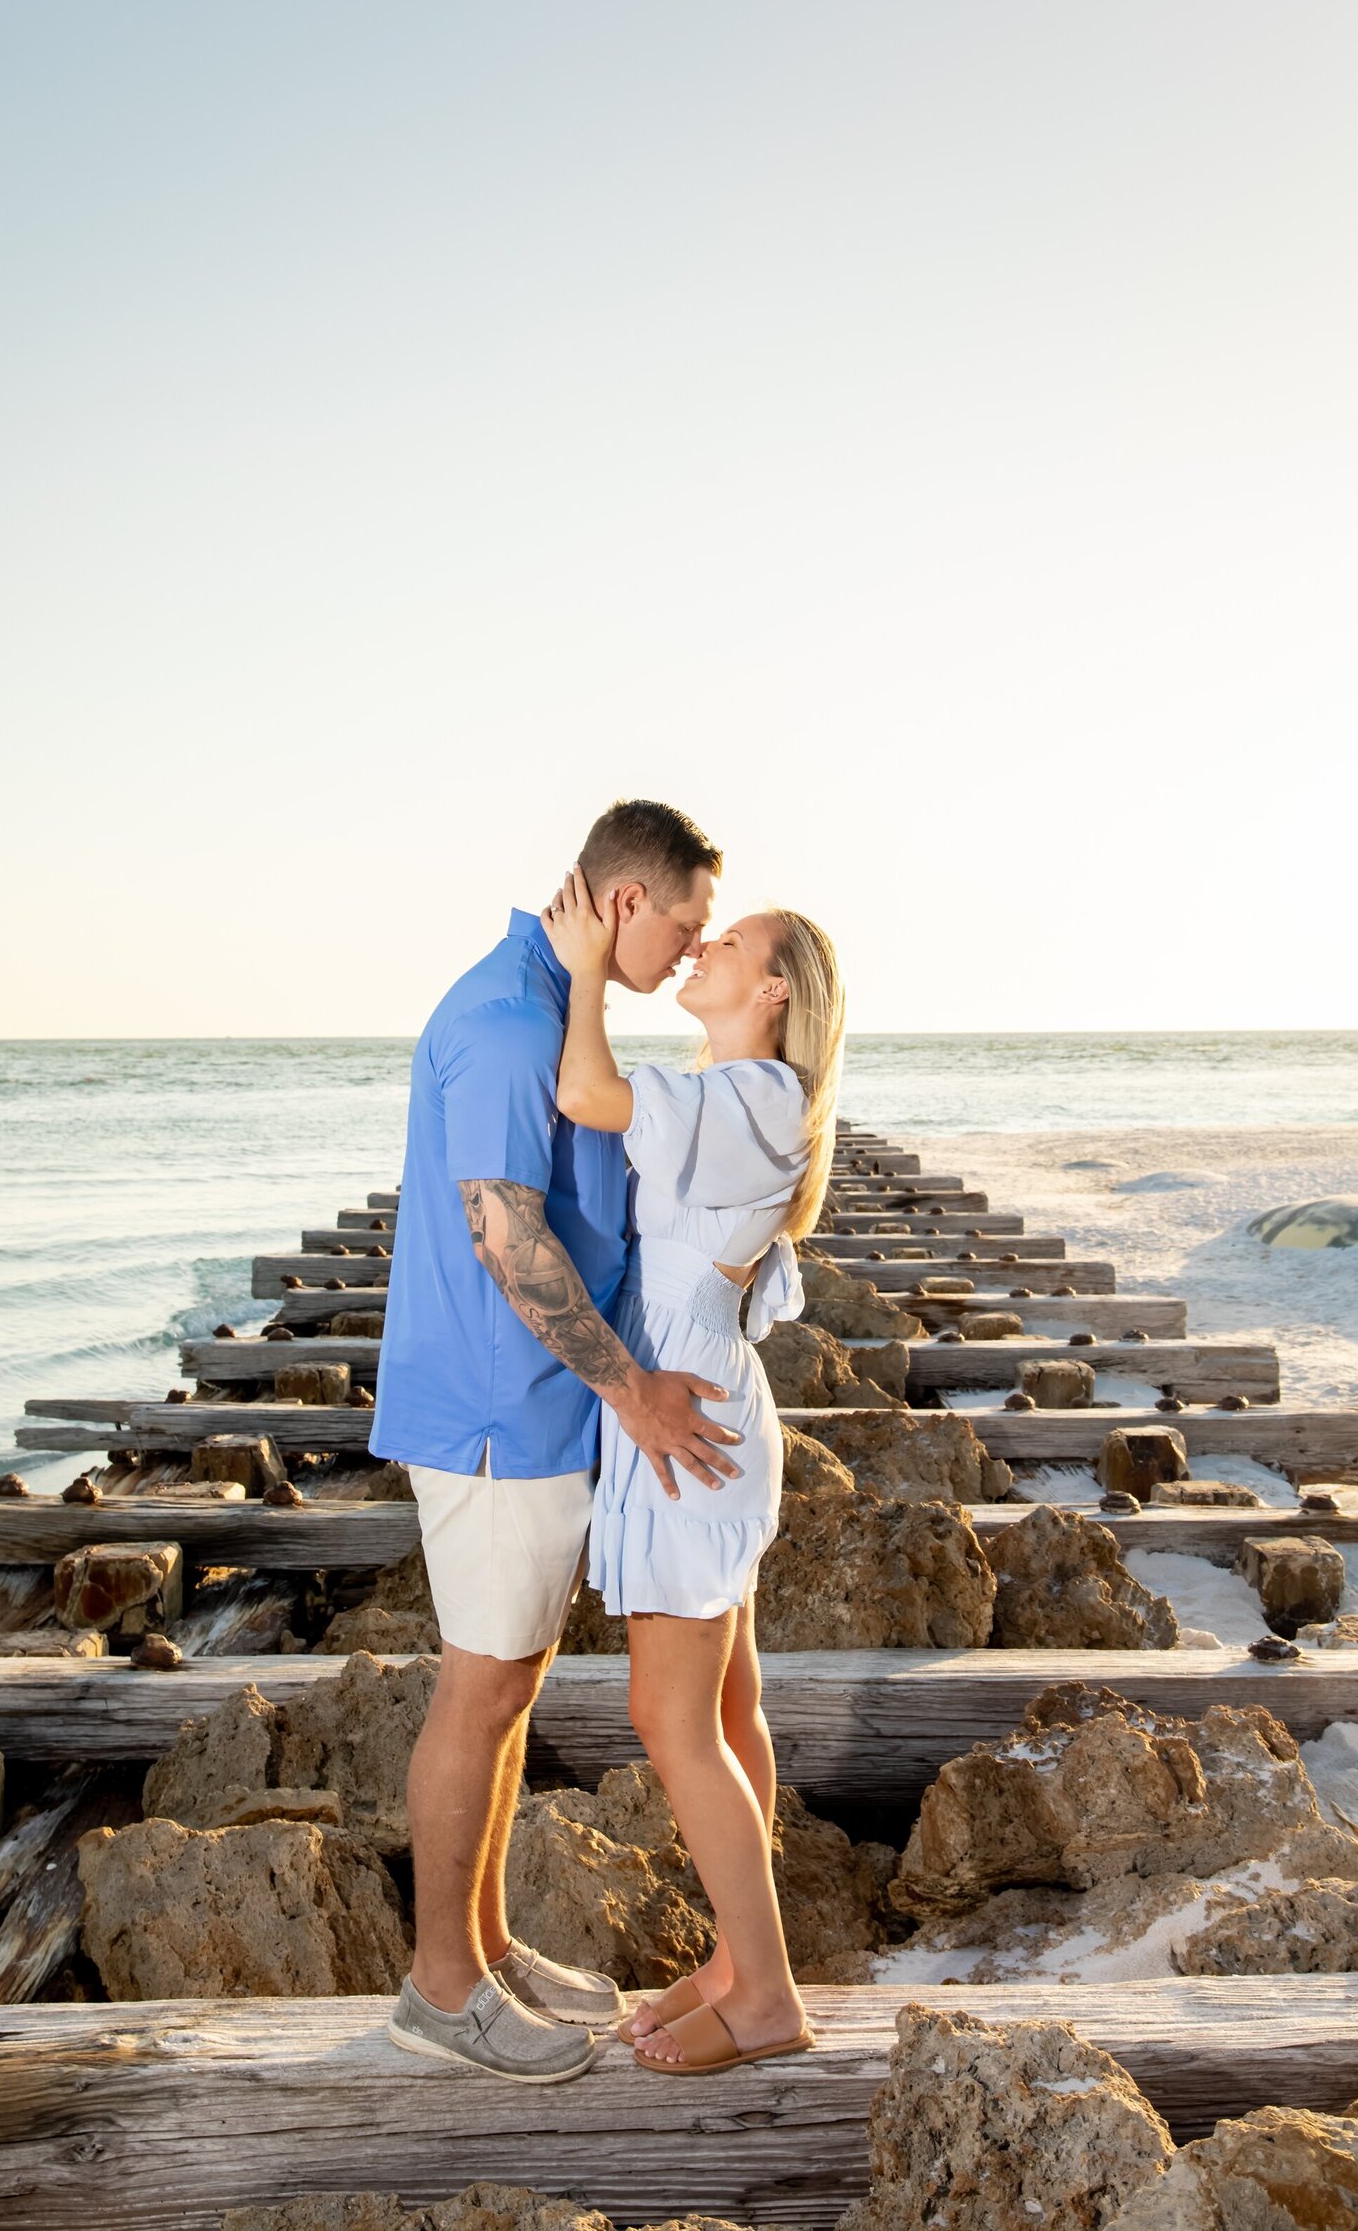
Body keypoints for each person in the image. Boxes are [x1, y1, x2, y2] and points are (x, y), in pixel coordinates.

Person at [374, 799, 740, 2084]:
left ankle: (483, 1948)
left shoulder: (549, 1000)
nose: (690, 951)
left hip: (527, 1409)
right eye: (685, 922)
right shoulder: (507, 1019)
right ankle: (438, 1991)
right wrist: (636, 1392)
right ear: (626, 901)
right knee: (478, 1692)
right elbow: (504, 1235)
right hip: (490, 1410)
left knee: (510, 1683)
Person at [541, 865, 844, 2078]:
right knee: (724, 1711)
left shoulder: (746, 1096)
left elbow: (580, 1088)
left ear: (771, 990)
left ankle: (765, 1999)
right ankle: (738, 1960)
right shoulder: (746, 1095)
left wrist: (579, 973)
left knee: (669, 1719)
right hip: (701, 1406)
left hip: (690, 1423)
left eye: (732, 944)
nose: (705, 947)